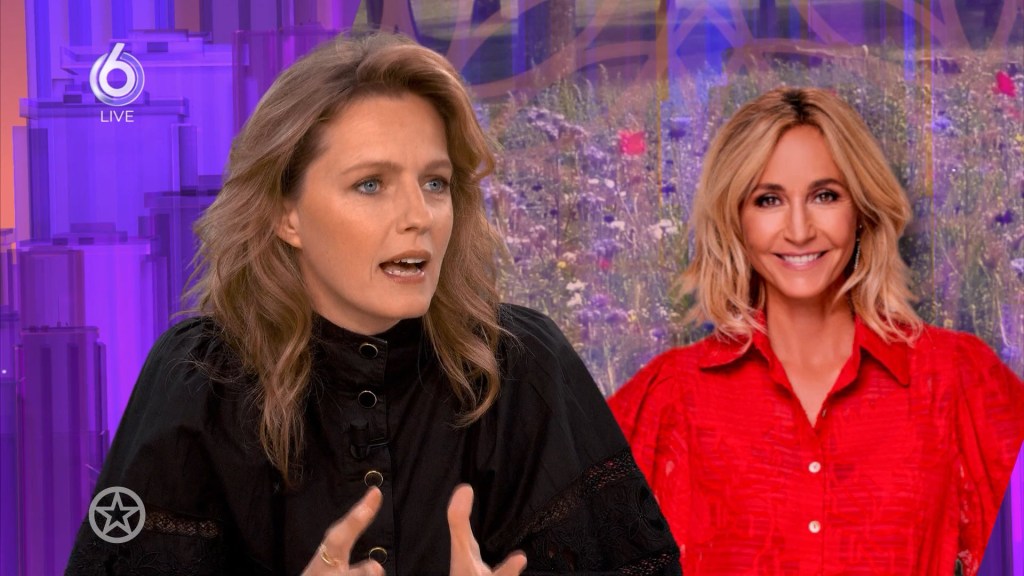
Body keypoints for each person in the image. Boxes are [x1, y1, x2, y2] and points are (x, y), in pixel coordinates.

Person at [66, 32, 680, 576]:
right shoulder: (199, 378)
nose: (418, 216)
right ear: (286, 214)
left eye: (435, 183)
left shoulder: (525, 366)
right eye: (370, 184)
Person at [610, 87, 1024, 575]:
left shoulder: (955, 377)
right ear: (736, 219)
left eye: (825, 195)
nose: (800, 229)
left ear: (861, 210)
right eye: (768, 200)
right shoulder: (671, 395)